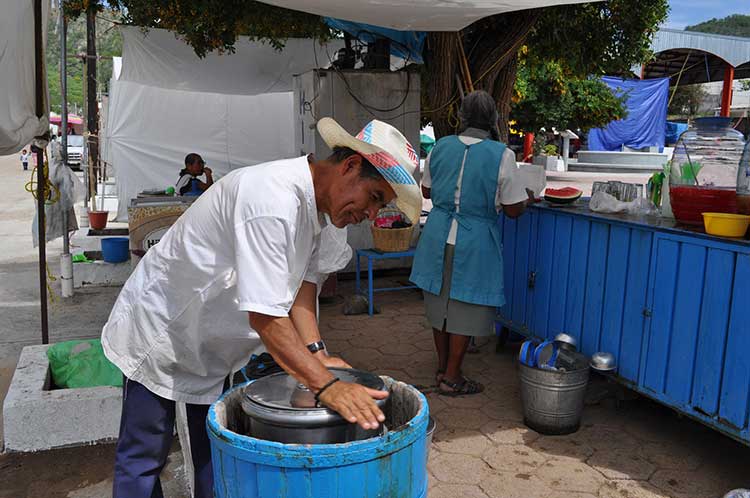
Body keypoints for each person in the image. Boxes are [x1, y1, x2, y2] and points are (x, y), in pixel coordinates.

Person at [102, 117, 421, 498]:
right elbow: (267, 318)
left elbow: (304, 286)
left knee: (216, 455)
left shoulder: (320, 213)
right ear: (350, 166)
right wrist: (328, 386)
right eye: (374, 198)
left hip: (211, 341)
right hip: (162, 330)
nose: (370, 215)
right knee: (143, 457)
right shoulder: (272, 200)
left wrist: (317, 354)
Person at [410, 91, 531, 396]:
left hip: (437, 234)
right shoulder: (502, 155)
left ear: (461, 118)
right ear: (494, 119)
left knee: (440, 303)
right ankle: (453, 377)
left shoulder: (440, 147)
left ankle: (442, 367)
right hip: (474, 240)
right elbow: (514, 209)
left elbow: (427, 192)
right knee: (464, 305)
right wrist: (526, 196)